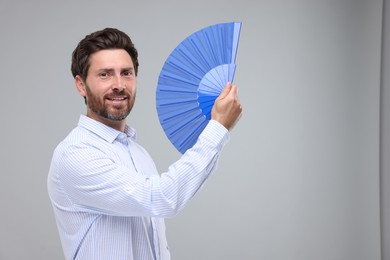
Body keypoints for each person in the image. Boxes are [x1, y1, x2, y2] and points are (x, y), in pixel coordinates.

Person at [47, 27, 242, 260]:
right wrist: (218, 128)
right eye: (105, 74)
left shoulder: (139, 154)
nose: (119, 84)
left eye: (126, 73)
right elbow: (162, 197)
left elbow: (158, 246)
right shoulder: (75, 154)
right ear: (81, 85)